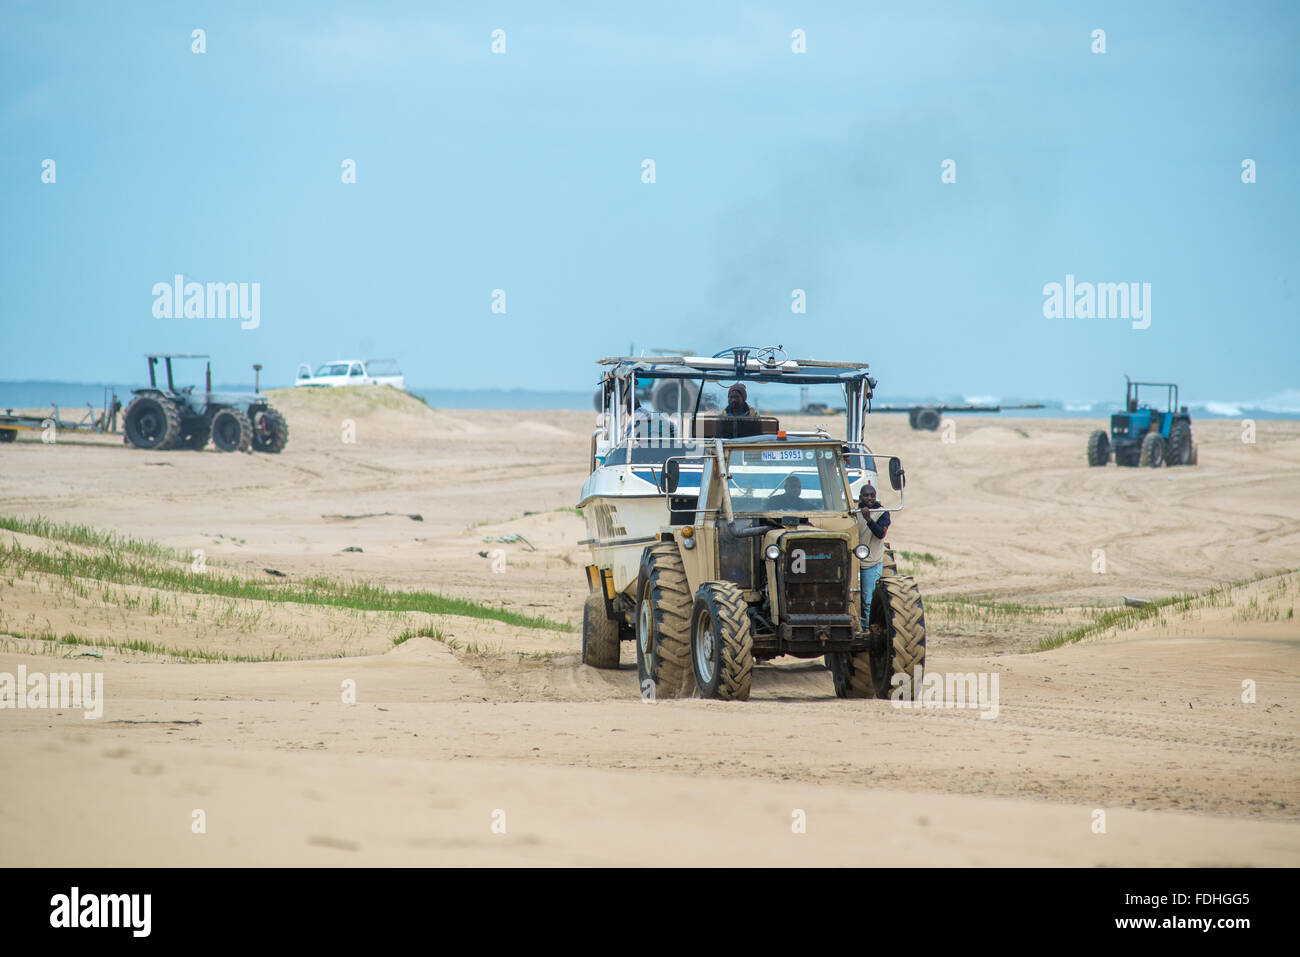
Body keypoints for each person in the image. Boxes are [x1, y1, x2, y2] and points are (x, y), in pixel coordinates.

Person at [855, 483, 892, 626]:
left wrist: (868, 519)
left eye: (872, 495)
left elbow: (880, 534)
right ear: (860, 497)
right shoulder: (853, 511)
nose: (869, 498)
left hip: (871, 562)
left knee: (868, 600)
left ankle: (868, 630)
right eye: (866, 495)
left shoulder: (882, 512)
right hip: (854, 561)